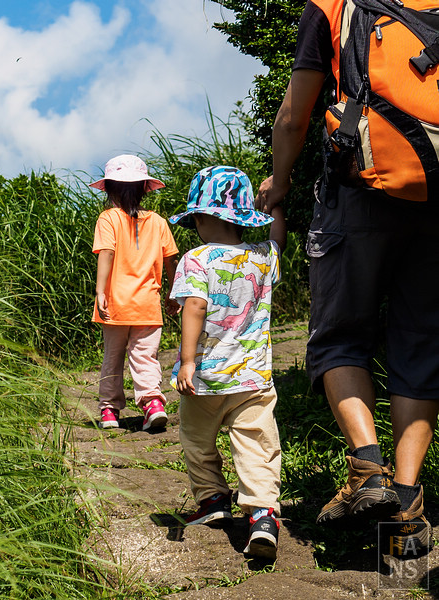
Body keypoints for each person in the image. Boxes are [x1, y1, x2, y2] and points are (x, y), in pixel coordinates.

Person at [256, 0, 438, 556]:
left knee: (338, 339)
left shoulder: (334, 6)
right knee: (422, 347)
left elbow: (294, 114)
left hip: (357, 193)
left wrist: (278, 181)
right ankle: (406, 511)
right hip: (436, 201)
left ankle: (369, 469)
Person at [169, 165, 287, 560]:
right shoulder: (262, 257)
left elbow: (195, 307)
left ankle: (213, 499)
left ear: (201, 218)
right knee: (257, 445)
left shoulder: (195, 258)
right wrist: (275, 206)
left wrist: (187, 362)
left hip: (205, 378)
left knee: (197, 441)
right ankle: (263, 516)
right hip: (254, 378)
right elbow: (277, 239)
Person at [90, 154, 180, 431]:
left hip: (115, 302)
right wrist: (173, 293)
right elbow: (172, 260)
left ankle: (109, 410)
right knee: (145, 356)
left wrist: (100, 291)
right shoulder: (158, 221)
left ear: (109, 189)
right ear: (144, 188)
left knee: (113, 357)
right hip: (147, 304)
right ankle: (152, 403)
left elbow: (106, 252)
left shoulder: (108, 219)